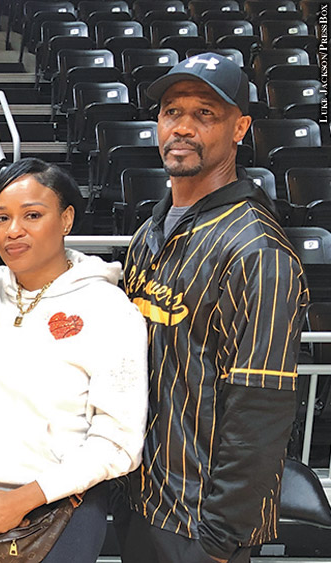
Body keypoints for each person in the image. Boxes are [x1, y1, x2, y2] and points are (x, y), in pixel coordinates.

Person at [118, 53, 309, 563]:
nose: (182, 127)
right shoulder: (148, 233)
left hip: (200, 522)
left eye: (205, 114)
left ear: (240, 127)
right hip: (141, 499)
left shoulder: (259, 251)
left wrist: (221, 539)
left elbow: (261, 410)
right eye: (171, 111)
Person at [0, 158, 148, 562]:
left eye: (32, 215)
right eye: (1, 218)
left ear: (67, 218)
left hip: (58, 506)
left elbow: (119, 441)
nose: (14, 230)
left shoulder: (108, 307)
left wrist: (24, 499)